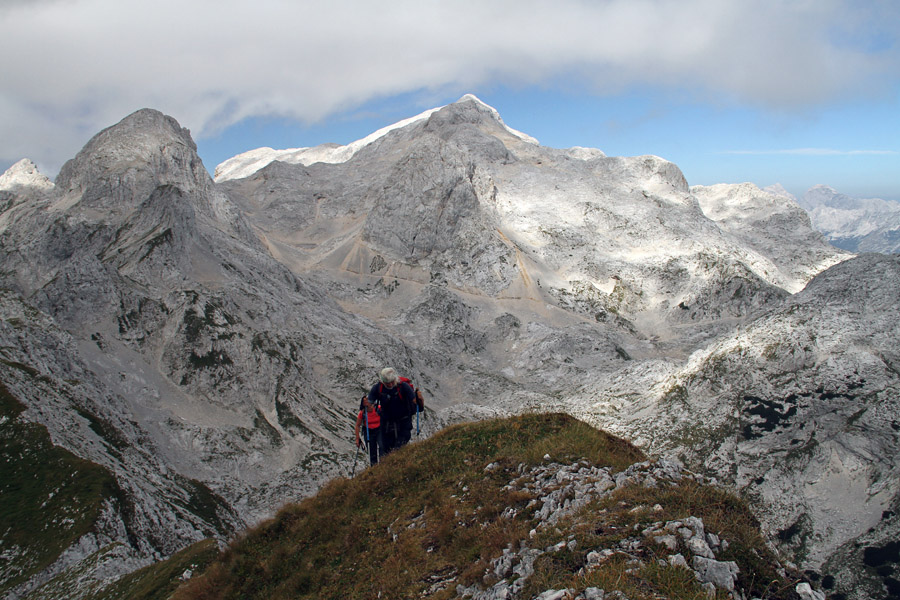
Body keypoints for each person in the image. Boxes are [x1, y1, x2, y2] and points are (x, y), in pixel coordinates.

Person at [367, 367, 422, 453]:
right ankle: (390, 464)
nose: (390, 385)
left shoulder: (403, 386)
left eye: (392, 382)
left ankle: (399, 463)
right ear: (382, 381)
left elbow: (414, 400)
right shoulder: (377, 388)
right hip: (386, 424)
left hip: (403, 422)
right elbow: (369, 402)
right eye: (387, 383)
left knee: (398, 449)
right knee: (386, 450)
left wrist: (419, 400)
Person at [354, 396, 383, 466]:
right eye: (365, 401)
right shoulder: (362, 413)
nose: (367, 403)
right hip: (369, 432)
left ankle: (383, 463)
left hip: (379, 430)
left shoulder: (378, 408)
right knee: (372, 451)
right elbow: (357, 426)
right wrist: (357, 439)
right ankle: (374, 467)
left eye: (368, 400)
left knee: (382, 445)